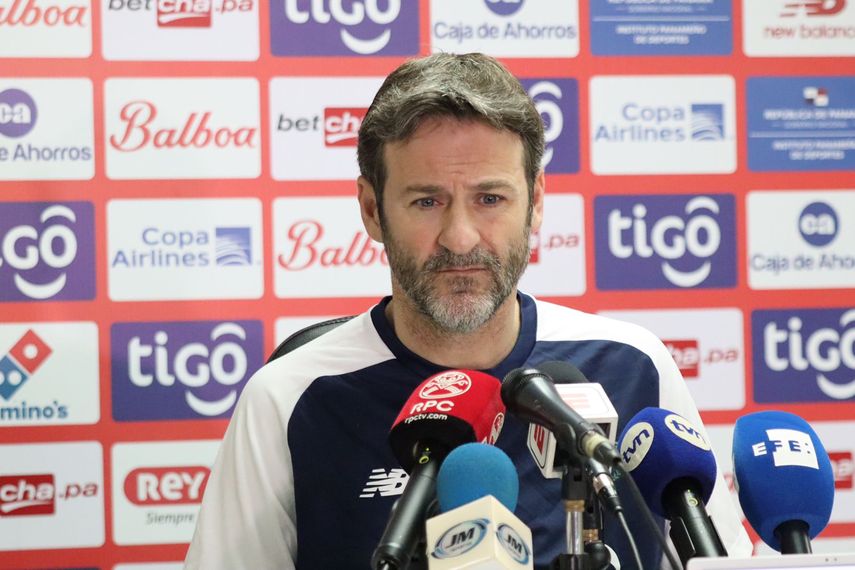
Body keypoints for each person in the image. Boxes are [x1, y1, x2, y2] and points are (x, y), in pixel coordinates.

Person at [185, 52, 751, 569]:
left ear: (536, 205)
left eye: (490, 199)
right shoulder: (289, 399)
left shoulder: (633, 367)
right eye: (426, 201)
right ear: (372, 211)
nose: (459, 238)